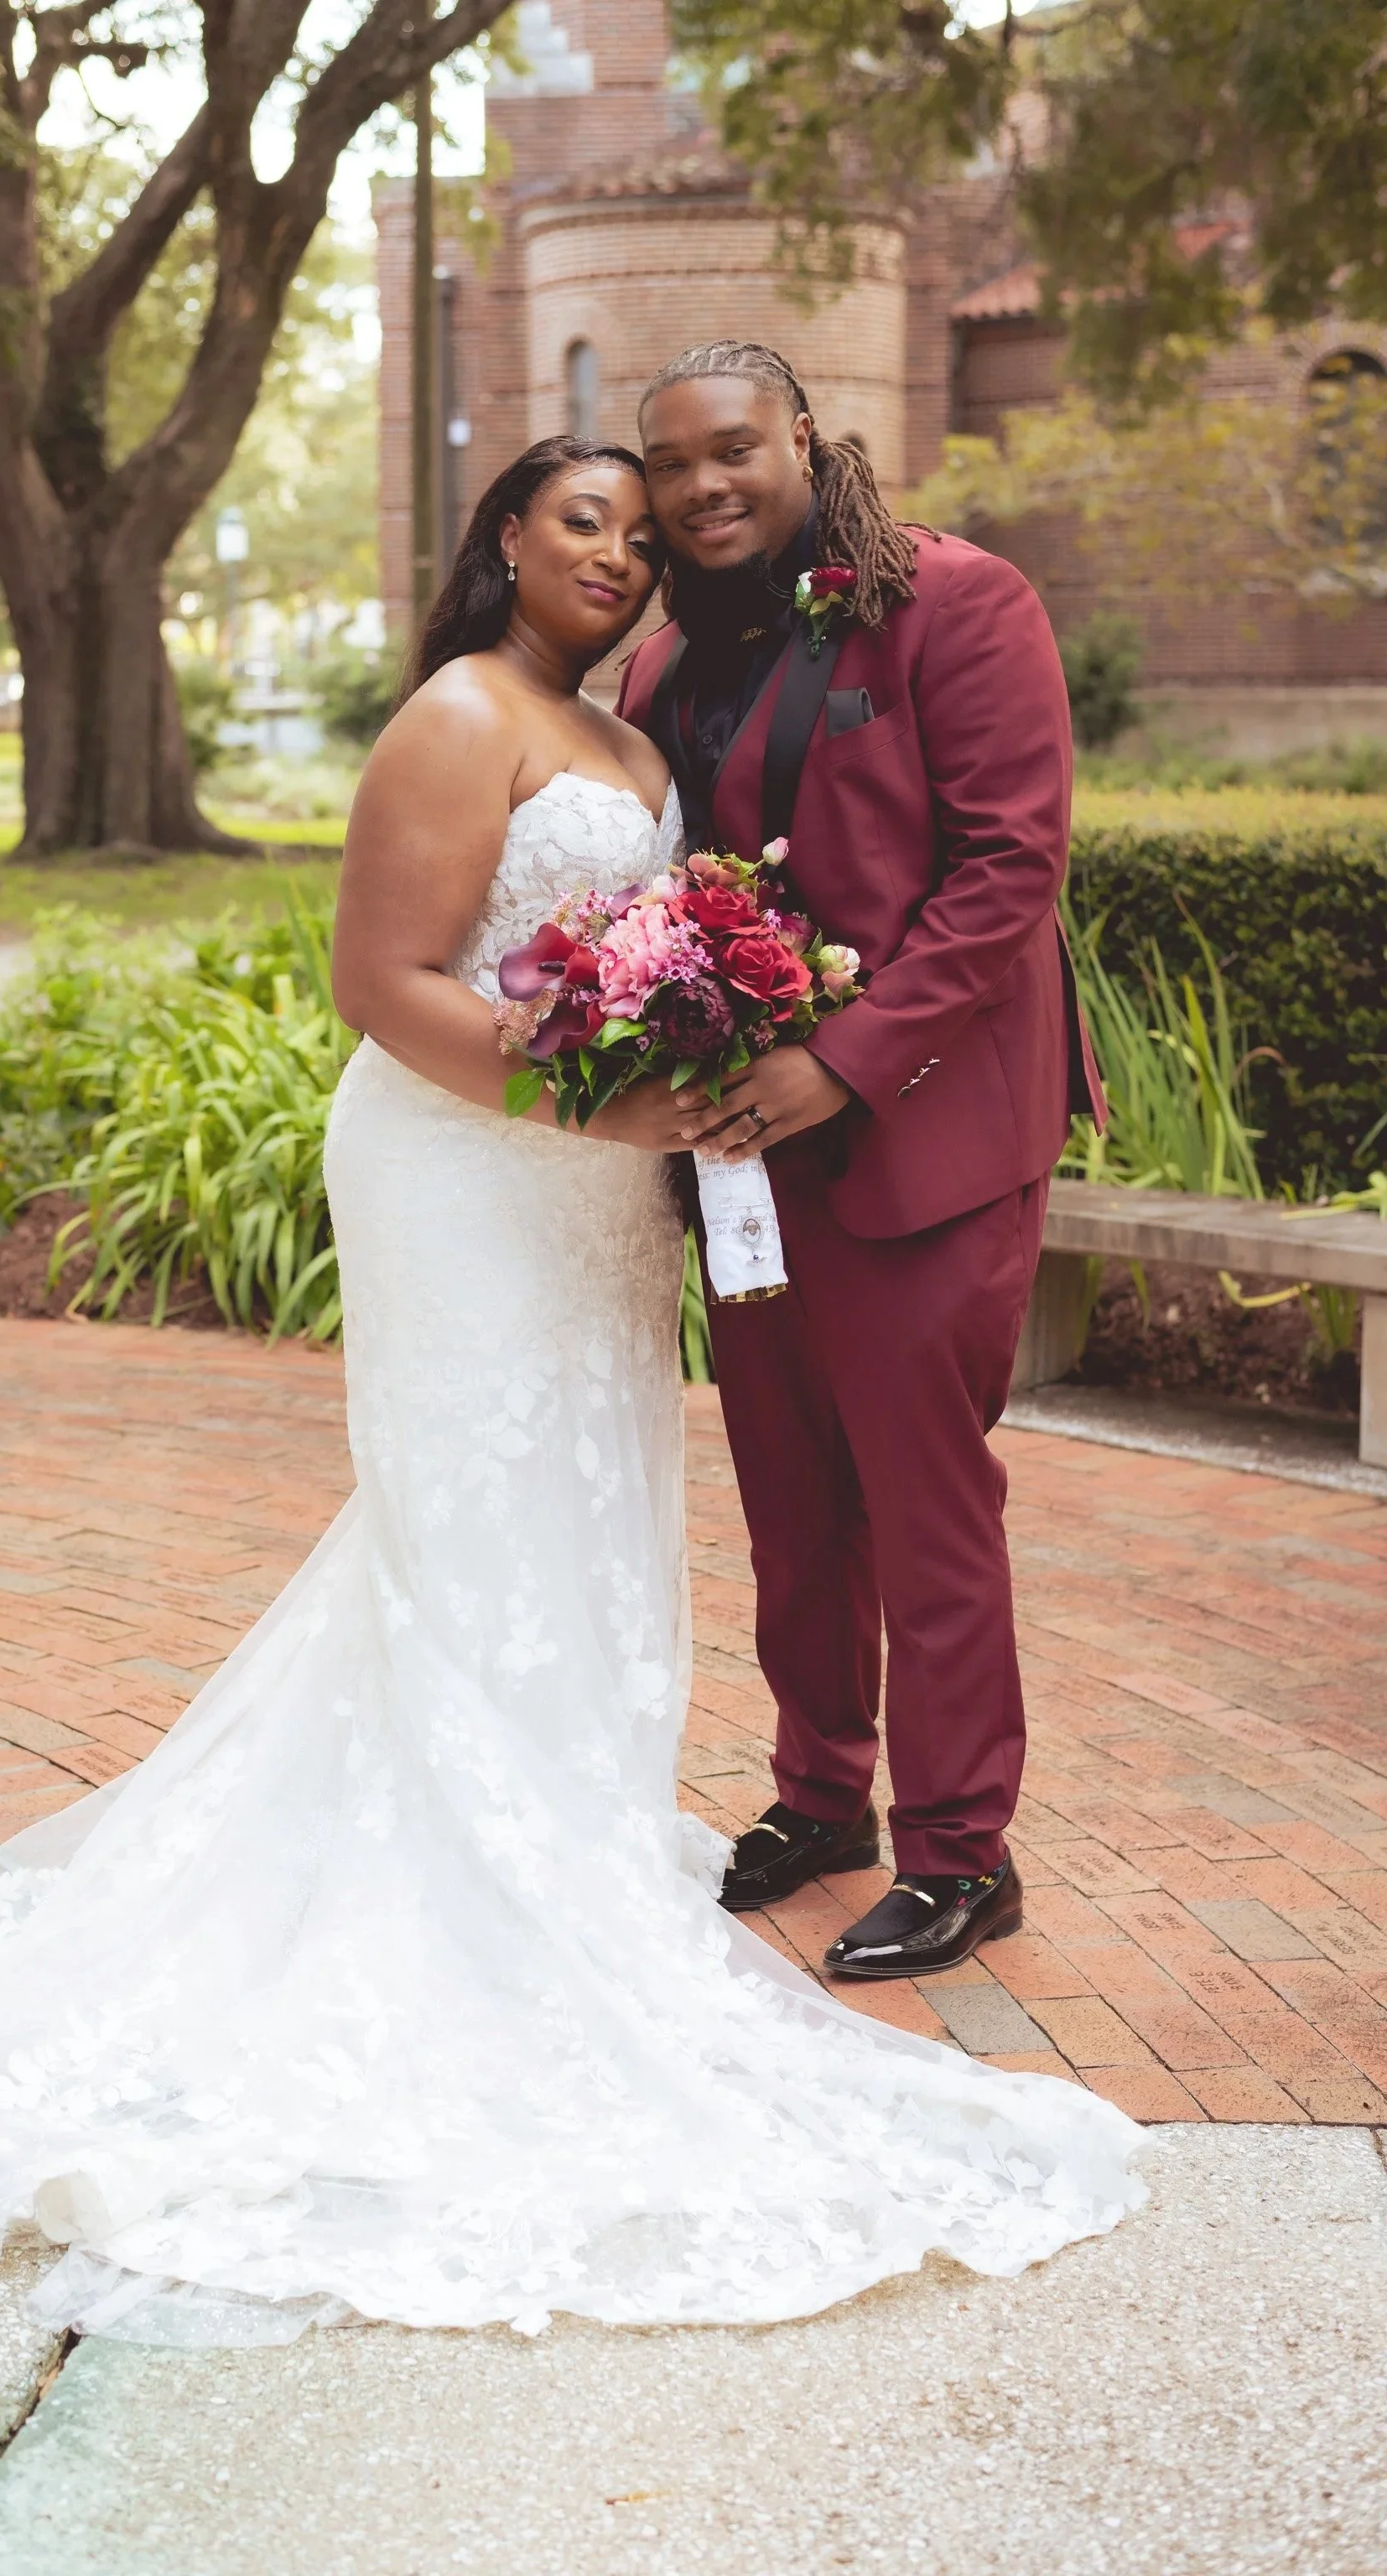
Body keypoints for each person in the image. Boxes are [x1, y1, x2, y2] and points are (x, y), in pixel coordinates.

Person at [0, 437, 1140, 2347]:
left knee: (594, 1502)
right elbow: (386, 980)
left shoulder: (627, 719)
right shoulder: (462, 713)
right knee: (470, 1518)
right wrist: (599, 1097)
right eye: (582, 516)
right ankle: (475, 1870)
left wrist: (669, 1068)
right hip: (474, 1171)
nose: (620, 546)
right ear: (502, 540)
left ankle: (574, 1830)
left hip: (600, 1190)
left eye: (644, 518)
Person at [618, 341, 1103, 1979]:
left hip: (928, 1136)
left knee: (920, 1498)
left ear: (805, 440)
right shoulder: (662, 670)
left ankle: (963, 1853)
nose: (703, 485)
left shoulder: (957, 605)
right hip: (748, 1156)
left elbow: (1006, 869)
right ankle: (819, 1794)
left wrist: (839, 1058)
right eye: (673, 464)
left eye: (733, 447)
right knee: (788, 1495)